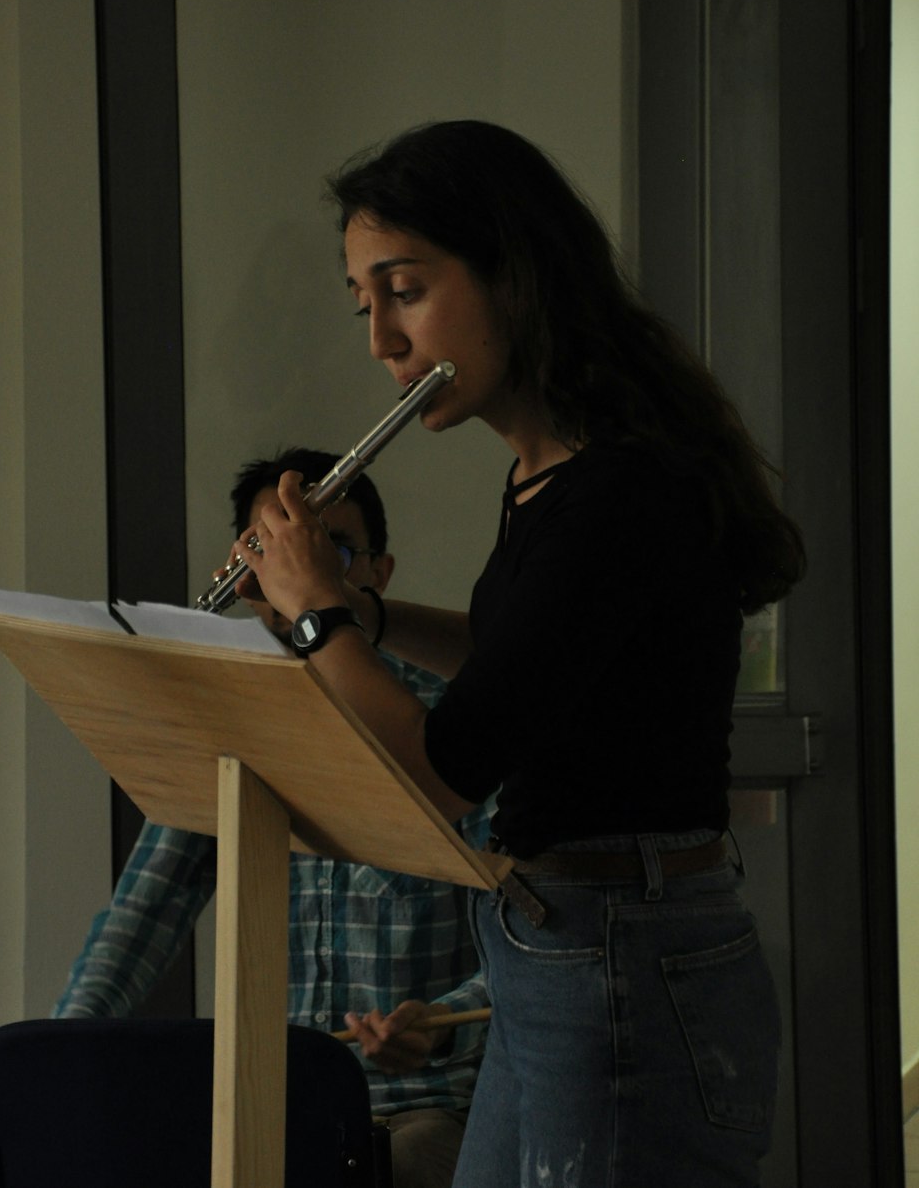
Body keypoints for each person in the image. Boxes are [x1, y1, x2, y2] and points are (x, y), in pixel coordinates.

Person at [231, 121, 807, 1188]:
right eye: (365, 302)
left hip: (622, 957)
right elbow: (518, 669)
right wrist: (361, 607)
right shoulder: (554, 474)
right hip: (566, 945)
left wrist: (320, 619)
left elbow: (442, 767)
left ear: (513, 271)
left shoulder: (619, 489)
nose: (382, 344)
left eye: (403, 288)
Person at [53, 447, 493, 1188]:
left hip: (421, 1108)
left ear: (378, 576)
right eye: (268, 552)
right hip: (269, 1106)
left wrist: (438, 1025)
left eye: (329, 552)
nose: (291, 579)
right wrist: (49, 1056)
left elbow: (530, 931)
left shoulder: (443, 721)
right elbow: (141, 918)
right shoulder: (229, 721)